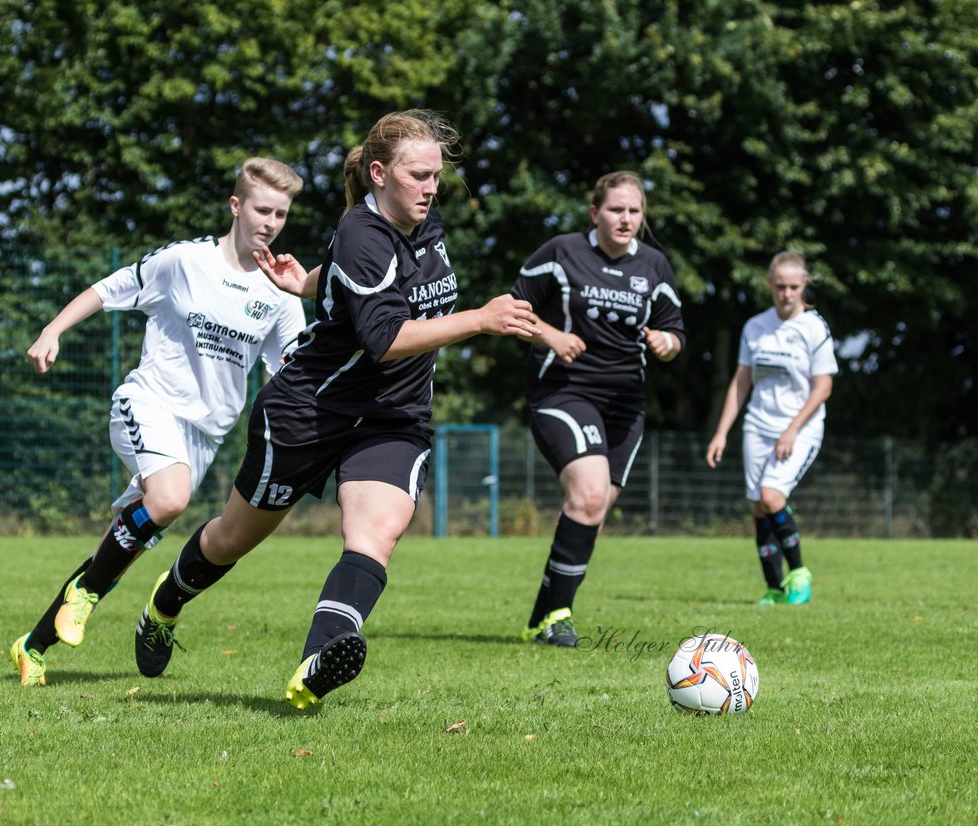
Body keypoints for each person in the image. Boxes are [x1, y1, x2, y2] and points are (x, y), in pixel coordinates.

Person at [128, 109, 539, 710]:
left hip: (393, 418)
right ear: (379, 173)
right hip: (309, 413)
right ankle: (165, 604)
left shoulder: (421, 222)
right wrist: (480, 319)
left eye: (436, 176)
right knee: (232, 539)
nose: (431, 186)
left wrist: (308, 283)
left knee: (375, 534)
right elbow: (385, 338)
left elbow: (368, 280)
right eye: (419, 175)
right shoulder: (361, 231)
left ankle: (316, 662)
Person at [8, 157, 309, 686]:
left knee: (119, 549)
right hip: (149, 403)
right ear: (236, 206)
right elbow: (107, 289)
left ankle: (33, 644)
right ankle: (84, 595)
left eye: (281, 214)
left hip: (203, 437)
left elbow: (292, 369)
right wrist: (52, 329)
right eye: (262, 209)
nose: (270, 223)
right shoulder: (185, 262)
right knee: (170, 501)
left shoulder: (281, 292)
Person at [512, 171, 686, 647]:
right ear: (595, 213)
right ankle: (558, 616)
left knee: (596, 507)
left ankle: (542, 618)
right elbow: (512, 308)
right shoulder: (562, 252)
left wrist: (665, 343)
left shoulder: (654, 264)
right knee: (589, 496)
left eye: (634, 211)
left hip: (625, 404)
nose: (625, 219)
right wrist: (552, 335)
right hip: (563, 392)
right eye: (615, 210)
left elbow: (675, 332)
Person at [705, 251, 836, 605]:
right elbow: (741, 383)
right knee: (759, 507)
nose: (787, 293)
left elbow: (823, 387)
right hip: (757, 426)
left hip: (801, 427)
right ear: (769, 285)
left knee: (771, 495)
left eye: (794, 286)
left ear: (804, 285)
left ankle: (800, 574)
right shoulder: (755, 327)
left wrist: (792, 429)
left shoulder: (814, 328)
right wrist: (721, 433)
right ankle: (774, 589)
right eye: (780, 286)